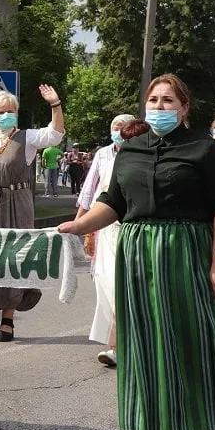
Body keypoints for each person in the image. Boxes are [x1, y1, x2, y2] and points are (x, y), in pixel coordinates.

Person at [58, 74, 215, 430]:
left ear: (185, 107)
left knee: (190, 340)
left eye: (168, 101)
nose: (160, 107)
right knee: (143, 345)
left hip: (186, 253)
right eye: (154, 100)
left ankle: (196, 423)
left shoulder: (205, 151)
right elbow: (113, 203)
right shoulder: (130, 149)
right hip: (138, 256)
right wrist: (79, 226)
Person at [0, 86, 65, 342]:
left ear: (16, 113)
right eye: (0, 111)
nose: (5, 115)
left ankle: (8, 317)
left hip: (16, 204)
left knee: (13, 259)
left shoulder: (27, 137)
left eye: (10, 111)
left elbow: (56, 135)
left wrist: (55, 104)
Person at [75, 114, 135, 367]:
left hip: (132, 228)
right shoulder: (103, 154)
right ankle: (115, 344)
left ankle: (124, 344)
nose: (118, 131)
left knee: (125, 286)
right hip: (106, 227)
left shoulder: (138, 153)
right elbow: (90, 191)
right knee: (107, 284)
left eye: (123, 127)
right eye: (114, 127)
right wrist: (81, 226)